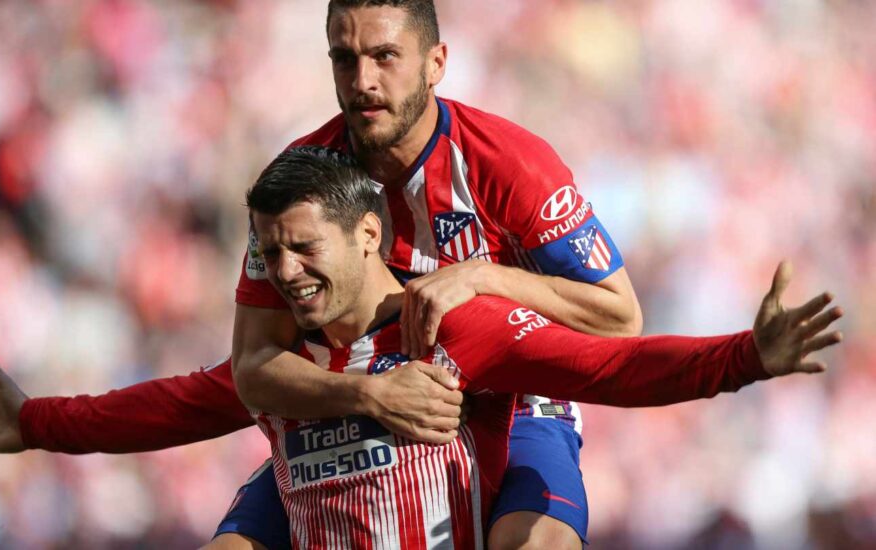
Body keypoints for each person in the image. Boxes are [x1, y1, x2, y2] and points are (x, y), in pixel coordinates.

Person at [0, 0, 799, 547]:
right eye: (344, 57)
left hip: (504, 379)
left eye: (383, 55)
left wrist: (485, 279)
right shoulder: (298, 191)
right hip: (351, 397)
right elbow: (242, 375)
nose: (362, 78)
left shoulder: (510, 164)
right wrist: (38, 422)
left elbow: (616, 334)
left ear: (434, 62)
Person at [237, 145, 839, 548]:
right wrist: (366, 395)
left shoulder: (460, 324)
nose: (285, 272)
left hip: (532, 423)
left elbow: (613, 362)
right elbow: (179, 403)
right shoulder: (277, 372)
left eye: (304, 249)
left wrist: (745, 357)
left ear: (368, 235)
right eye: (270, 255)